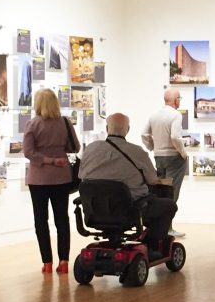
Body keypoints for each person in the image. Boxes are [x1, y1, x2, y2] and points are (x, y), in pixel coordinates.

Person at [79, 113, 178, 254]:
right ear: (128, 130)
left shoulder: (90, 149)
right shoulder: (137, 152)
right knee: (169, 206)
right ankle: (152, 245)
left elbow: (81, 176)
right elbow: (152, 180)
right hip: (130, 210)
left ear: (107, 128)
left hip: (95, 211)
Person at [23, 88, 80, 274]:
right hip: (62, 177)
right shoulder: (64, 122)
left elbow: (28, 152)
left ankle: (46, 262)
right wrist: (56, 157)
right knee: (62, 219)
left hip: (38, 179)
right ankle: (64, 261)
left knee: (41, 220)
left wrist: (46, 160)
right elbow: (75, 146)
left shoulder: (32, 125)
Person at [141, 88, 188, 237]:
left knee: (161, 192)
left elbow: (144, 134)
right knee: (172, 194)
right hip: (174, 158)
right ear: (175, 100)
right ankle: (167, 228)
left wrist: (152, 147)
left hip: (159, 157)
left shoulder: (154, 114)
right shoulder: (175, 115)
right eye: (179, 98)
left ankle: (161, 227)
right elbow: (175, 136)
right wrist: (183, 153)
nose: (179, 101)